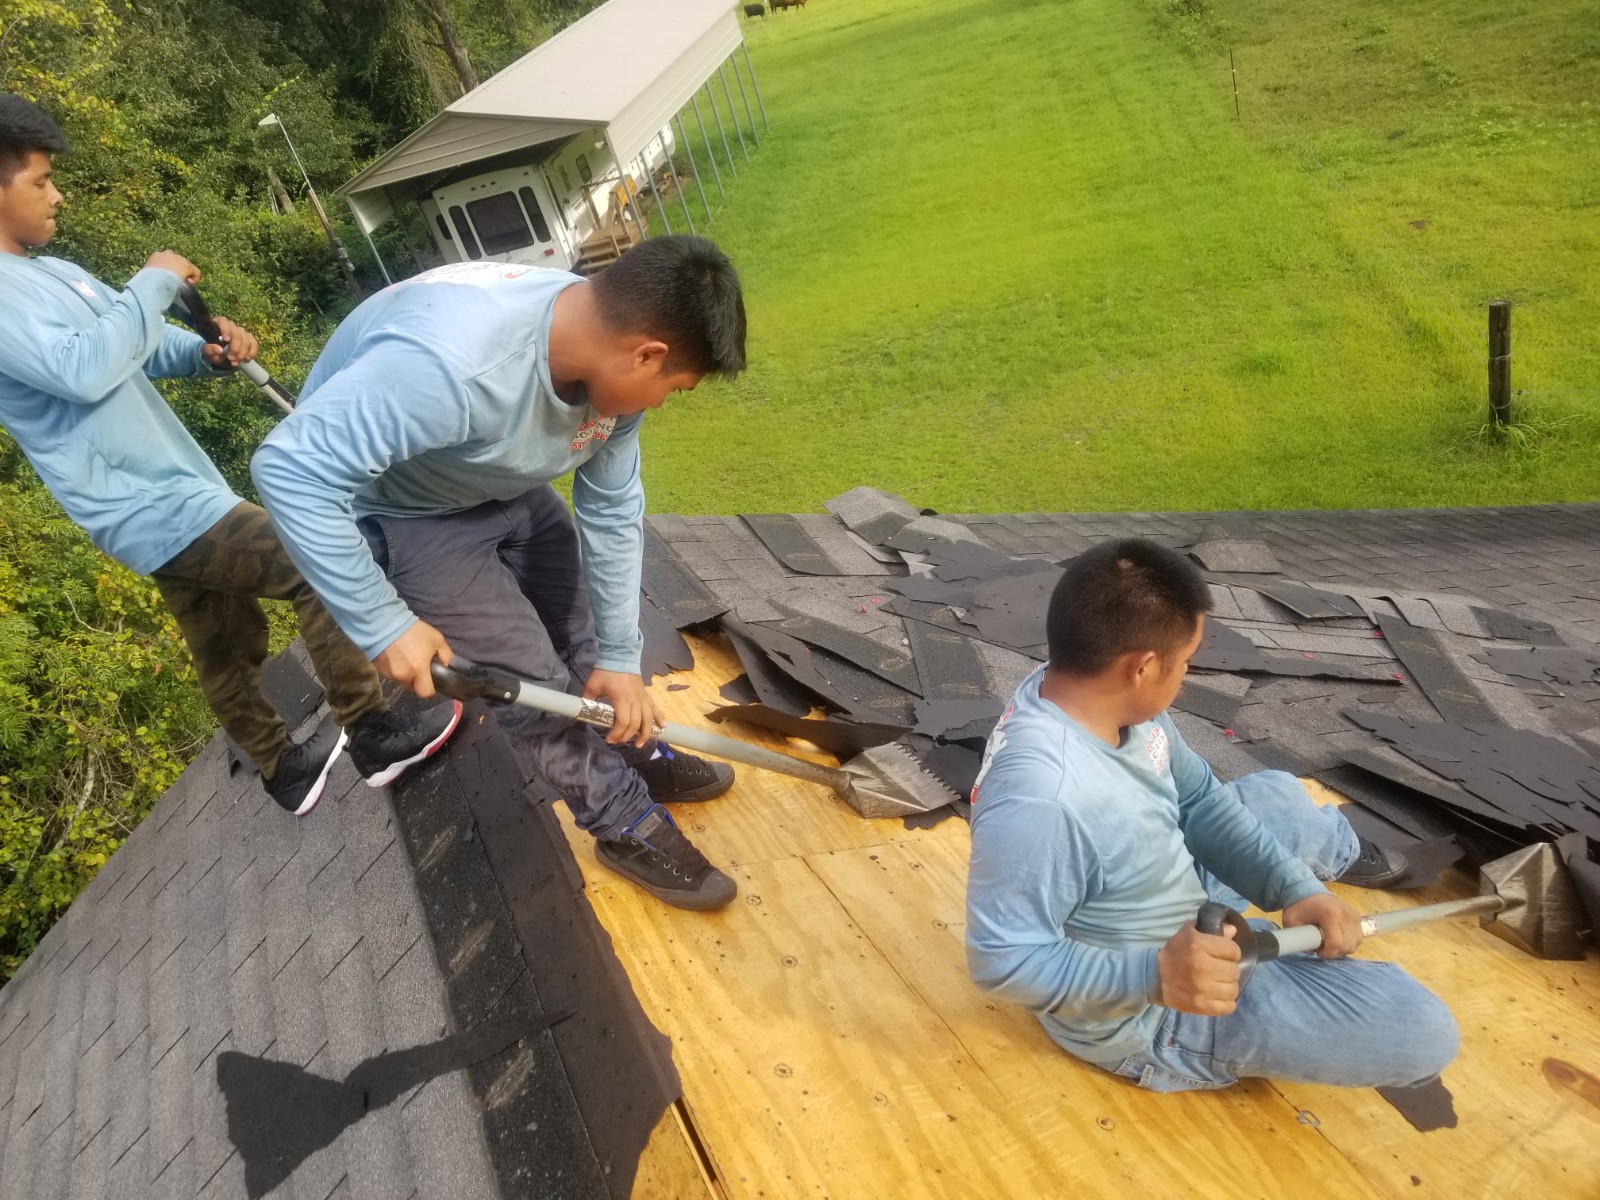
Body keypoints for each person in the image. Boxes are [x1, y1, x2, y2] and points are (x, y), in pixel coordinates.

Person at [251, 237, 748, 911]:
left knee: (588, 640)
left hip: (495, 473)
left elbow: (610, 510)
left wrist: (620, 656)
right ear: (646, 354)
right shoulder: (451, 365)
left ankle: (632, 749)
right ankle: (623, 822)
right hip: (408, 513)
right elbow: (287, 469)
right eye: (674, 388)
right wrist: (382, 624)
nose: (662, 404)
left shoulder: (605, 364)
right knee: (535, 686)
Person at [0, 94, 462, 816]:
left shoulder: (52, 273)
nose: (56, 195)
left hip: (167, 498)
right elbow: (82, 368)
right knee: (317, 560)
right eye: (40, 181)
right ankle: (373, 733)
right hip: (151, 504)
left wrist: (204, 352)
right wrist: (153, 279)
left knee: (224, 640)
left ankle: (282, 769)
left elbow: (134, 344)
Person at [965, 538, 1459, 1094]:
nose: (1186, 674)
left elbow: (1199, 798)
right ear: (1142, 667)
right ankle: (1255, 990)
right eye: (1185, 662)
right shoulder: (1042, 802)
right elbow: (1003, 960)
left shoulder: (1089, 691)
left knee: (1278, 794)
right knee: (1423, 1031)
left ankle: (1327, 874)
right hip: (1152, 1009)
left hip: (1162, 893)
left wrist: (1295, 889)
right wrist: (1157, 976)